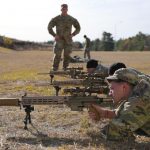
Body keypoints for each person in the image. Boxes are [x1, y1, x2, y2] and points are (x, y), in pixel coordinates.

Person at [88, 68, 150, 141]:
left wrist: (98, 135)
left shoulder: (141, 98)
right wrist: (105, 113)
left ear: (124, 87)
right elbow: (125, 114)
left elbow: (115, 131)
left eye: (112, 88)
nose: (109, 93)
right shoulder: (139, 87)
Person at [48, 4, 81, 71]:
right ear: (61, 9)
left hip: (68, 40)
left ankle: (65, 68)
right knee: (57, 54)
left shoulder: (71, 19)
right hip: (59, 40)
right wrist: (54, 35)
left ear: (67, 9)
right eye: (62, 9)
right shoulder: (56, 19)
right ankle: (55, 68)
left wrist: (73, 34)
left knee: (67, 55)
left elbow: (78, 28)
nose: (64, 10)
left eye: (65, 9)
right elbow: (49, 27)